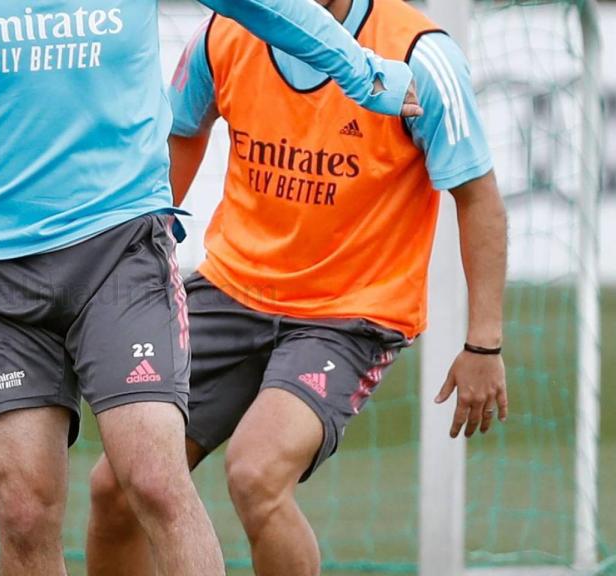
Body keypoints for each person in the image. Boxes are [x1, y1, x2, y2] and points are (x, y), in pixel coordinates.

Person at [0, 0, 421, 574]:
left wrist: (362, 71)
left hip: (118, 251)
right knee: (26, 512)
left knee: (153, 479)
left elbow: (267, 7)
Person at [86, 0, 508, 574]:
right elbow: (181, 132)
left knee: (255, 475)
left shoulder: (419, 53)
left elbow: (478, 197)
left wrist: (484, 342)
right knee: (116, 485)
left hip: (351, 314)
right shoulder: (225, 28)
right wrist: (132, 257)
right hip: (230, 289)